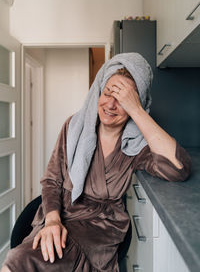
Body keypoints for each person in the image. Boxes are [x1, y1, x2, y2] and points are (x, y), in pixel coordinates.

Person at [2, 53, 191, 272]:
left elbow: (179, 168)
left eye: (122, 99)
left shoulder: (136, 144)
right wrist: (52, 221)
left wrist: (137, 110)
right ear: (98, 92)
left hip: (101, 227)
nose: (110, 104)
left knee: (34, 260)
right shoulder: (74, 127)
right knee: (21, 258)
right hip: (60, 214)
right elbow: (52, 181)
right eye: (108, 92)